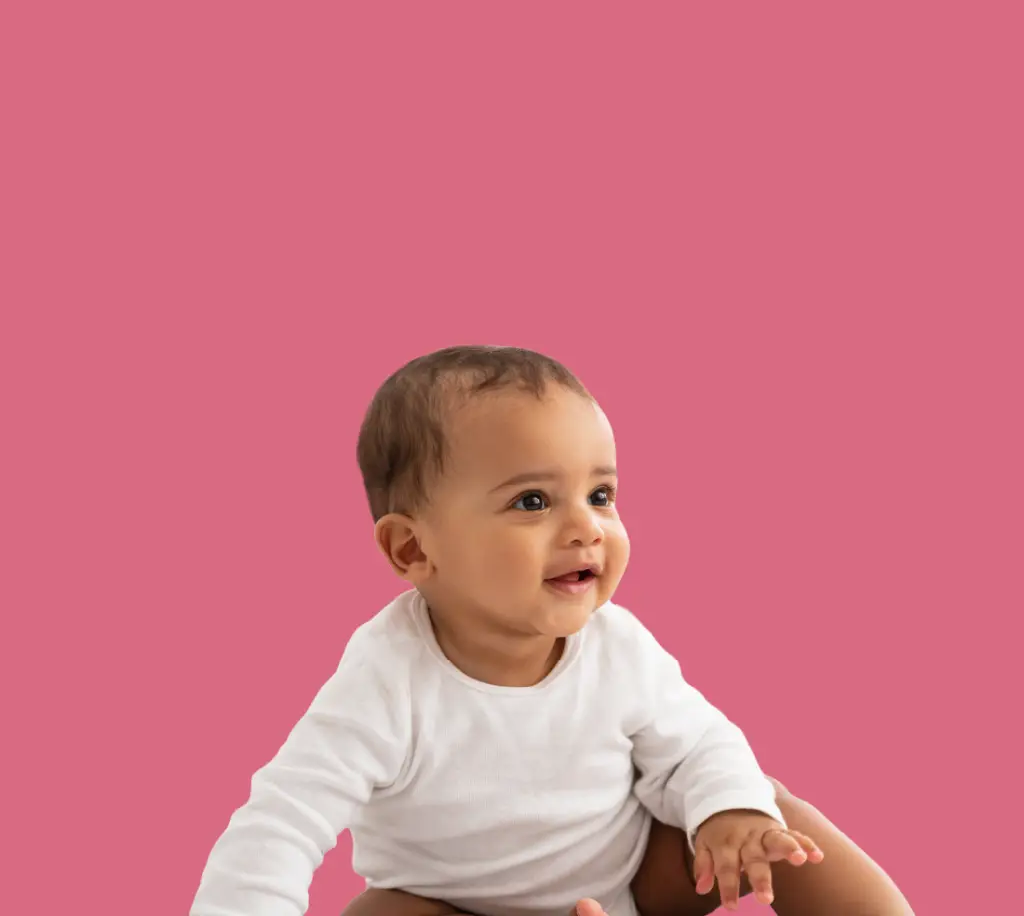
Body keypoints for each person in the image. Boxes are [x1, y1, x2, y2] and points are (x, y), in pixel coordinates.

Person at [190, 346, 914, 916]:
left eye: (600, 494)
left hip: (632, 885)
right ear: (413, 549)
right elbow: (283, 822)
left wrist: (729, 812)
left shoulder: (618, 647)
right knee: (385, 911)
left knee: (764, 815)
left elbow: (697, 745)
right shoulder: (384, 680)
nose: (587, 528)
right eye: (533, 502)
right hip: (454, 906)